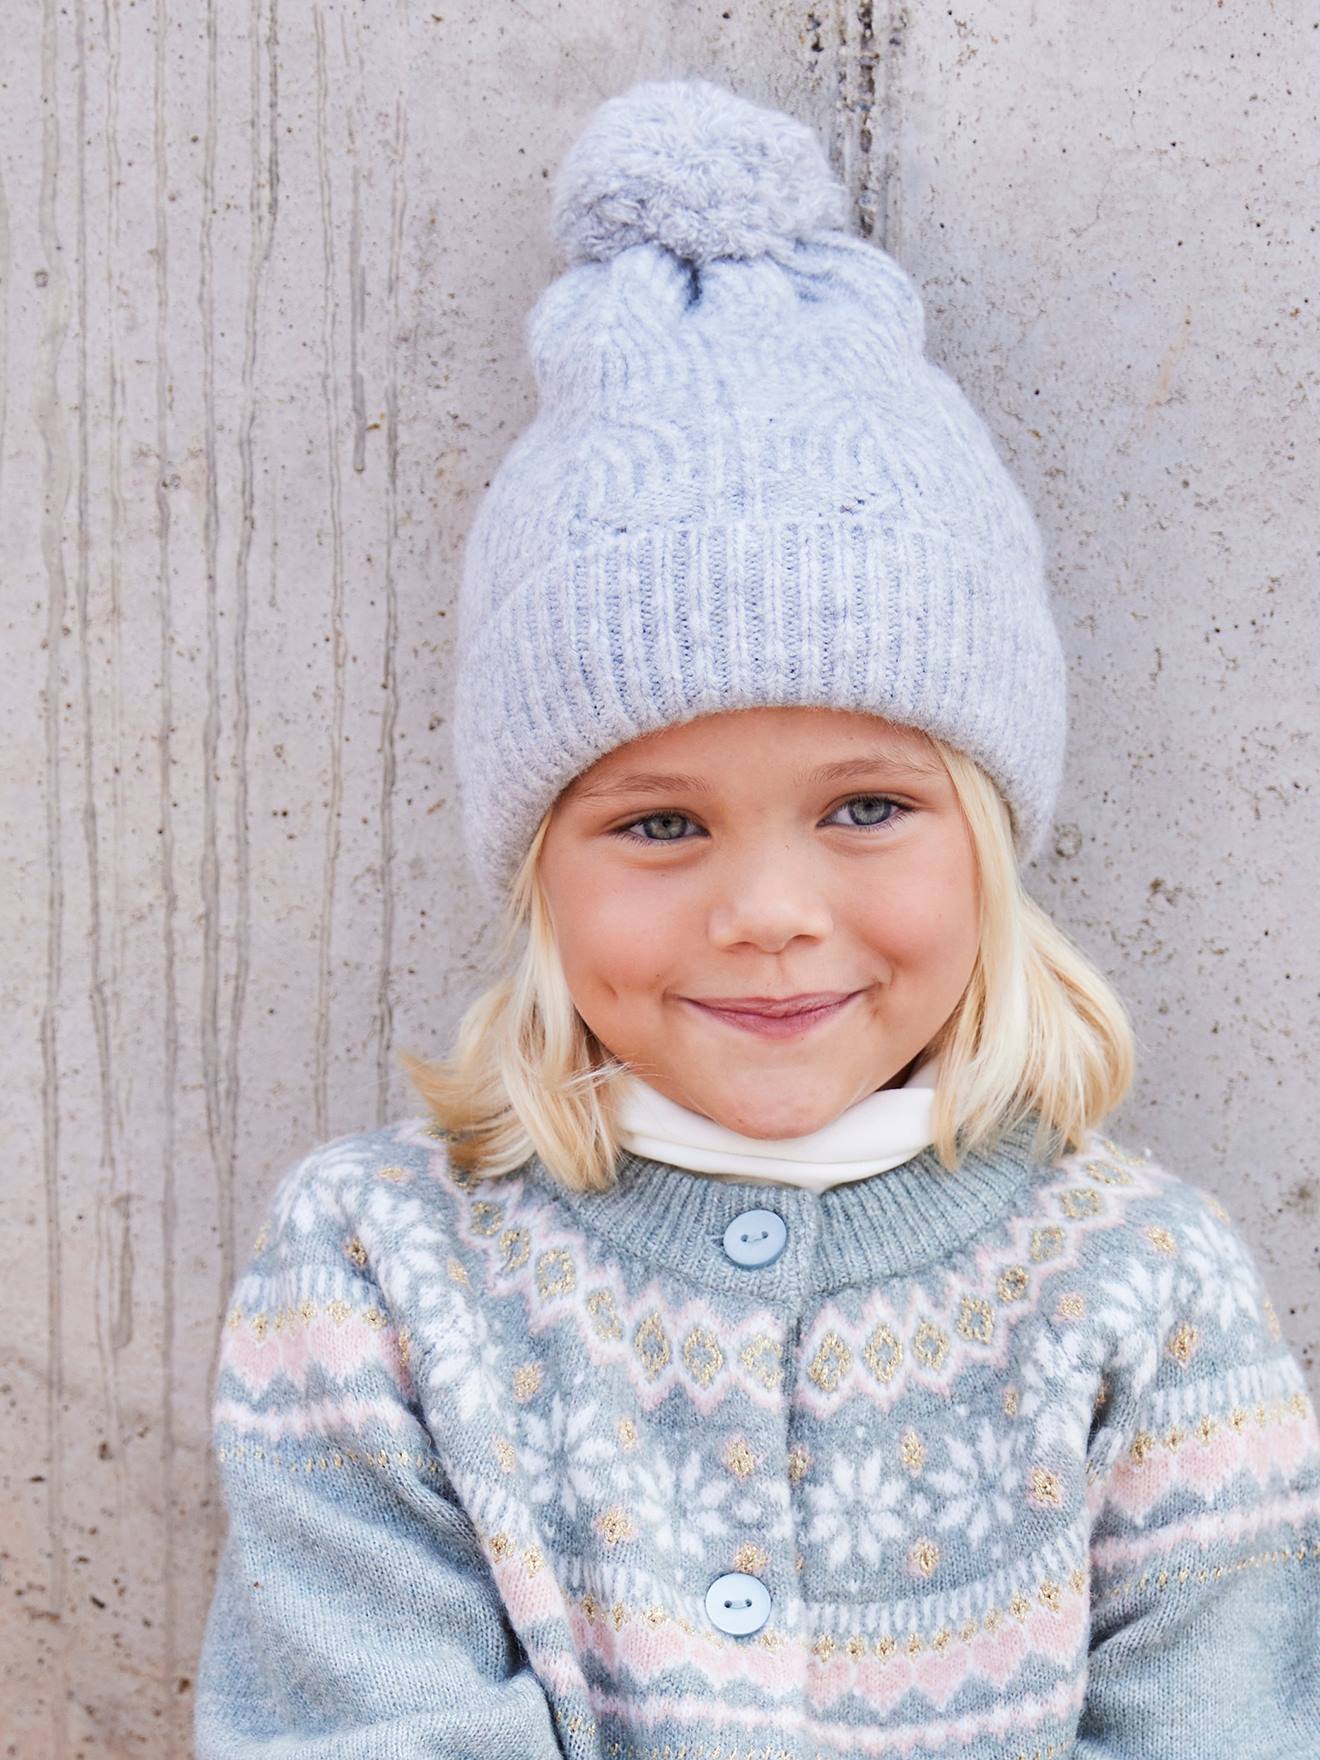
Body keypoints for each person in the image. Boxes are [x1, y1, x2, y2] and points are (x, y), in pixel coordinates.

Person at [193, 76, 1320, 1759]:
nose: (772, 915)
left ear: (992, 841)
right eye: (658, 823)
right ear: (536, 873)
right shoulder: (379, 1270)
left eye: (867, 808)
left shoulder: (1142, 1292)